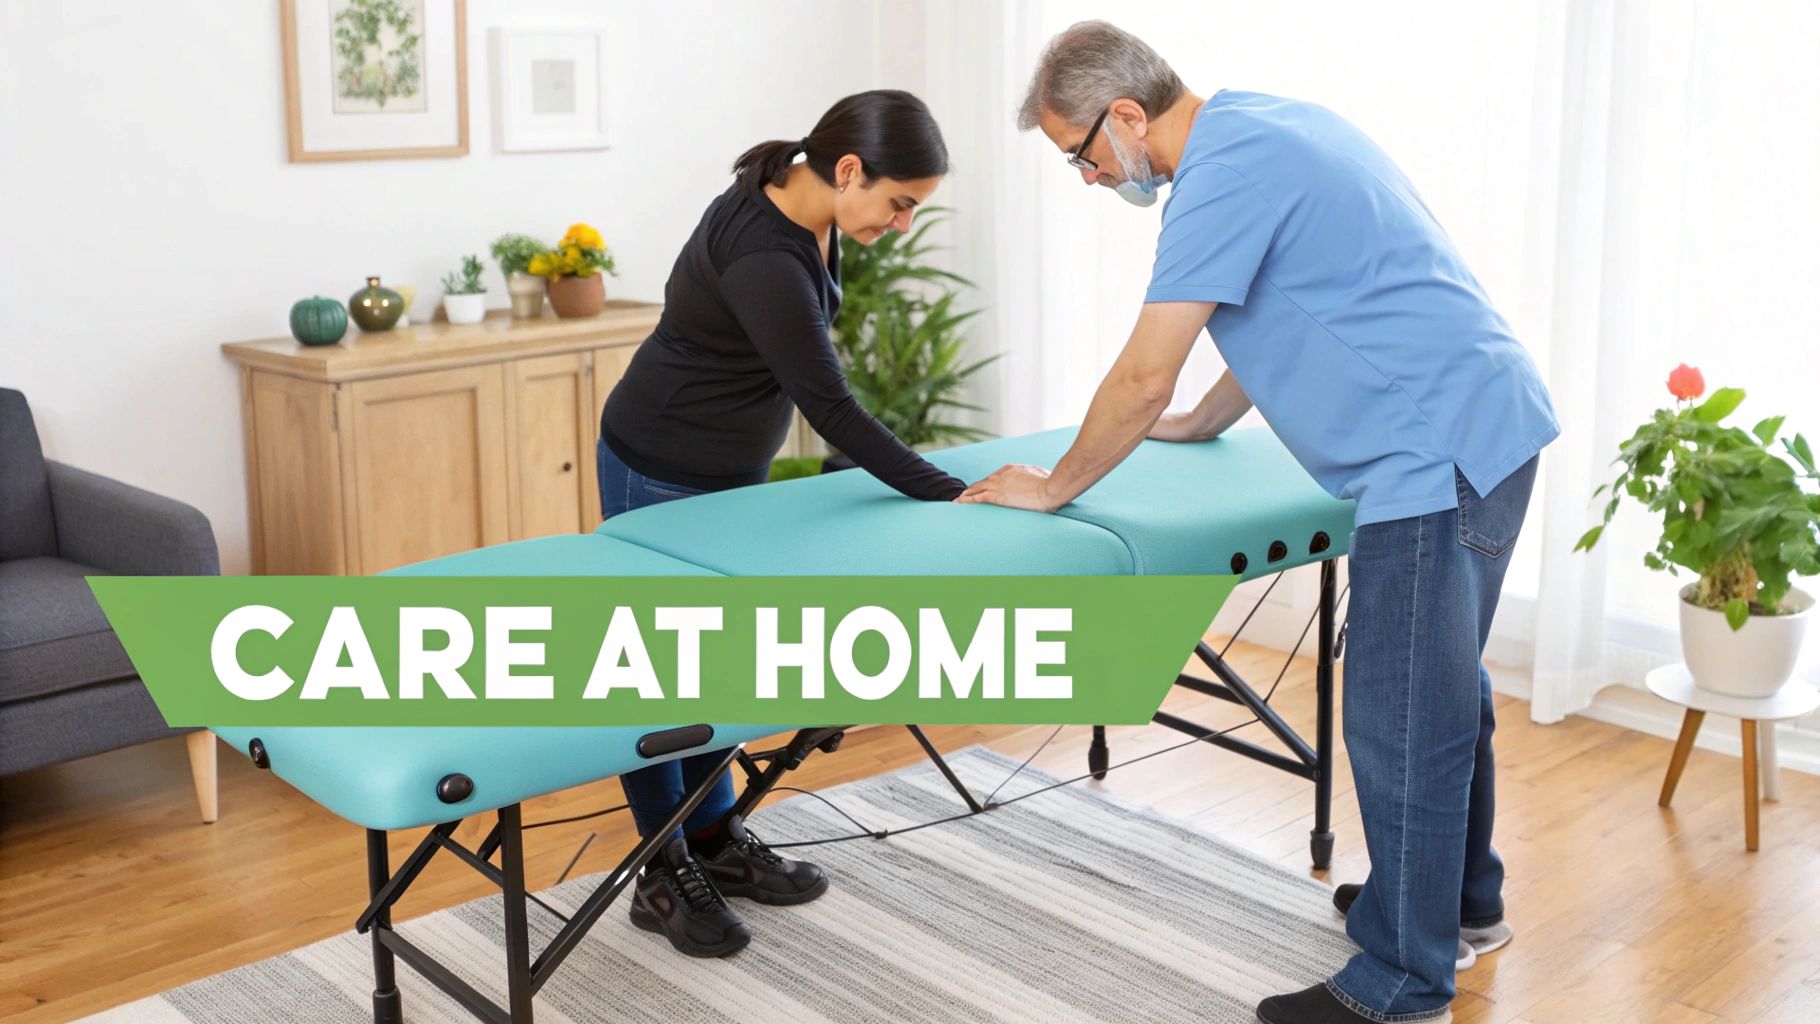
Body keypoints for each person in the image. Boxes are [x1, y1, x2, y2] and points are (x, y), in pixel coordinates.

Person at [964, 22, 1558, 1024]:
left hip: (1433, 459)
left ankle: (1400, 982)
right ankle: (1460, 907)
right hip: (1489, 428)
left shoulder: (1218, 181)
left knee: (1400, 710)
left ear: (1125, 118)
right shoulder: (1270, 128)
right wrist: (1205, 420)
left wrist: (1056, 486)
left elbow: (1141, 372)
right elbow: (1305, 302)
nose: (1083, 177)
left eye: (1078, 155)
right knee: (1443, 688)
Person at [596, 89, 965, 959]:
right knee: (662, 673)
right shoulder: (766, 250)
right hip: (663, 469)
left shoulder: (797, 199)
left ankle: (716, 841)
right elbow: (828, 403)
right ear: (848, 170)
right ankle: (662, 867)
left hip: (727, 475)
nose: (904, 224)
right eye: (900, 201)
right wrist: (948, 490)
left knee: (718, 656)